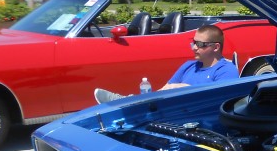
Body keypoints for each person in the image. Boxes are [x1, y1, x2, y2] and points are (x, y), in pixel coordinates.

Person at [94, 24, 239, 103]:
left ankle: (127, 104)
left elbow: (218, 102)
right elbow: (165, 90)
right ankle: (130, 102)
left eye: (200, 44)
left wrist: (185, 88)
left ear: (215, 47)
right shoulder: (188, 65)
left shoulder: (226, 70)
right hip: (169, 110)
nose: (194, 47)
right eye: (193, 42)